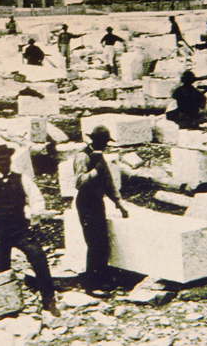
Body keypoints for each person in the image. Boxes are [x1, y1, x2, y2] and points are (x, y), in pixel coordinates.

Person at [0, 145, 60, 316]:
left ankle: (48, 300)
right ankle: (6, 307)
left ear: (10, 161)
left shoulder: (22, 179)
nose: (4, 164)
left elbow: (37, 198)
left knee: (39, 259)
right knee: (2, 268)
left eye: (6, 161)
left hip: (20, 228)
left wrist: (35, 219)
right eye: (0, 161)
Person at [74, 126, 129, 295]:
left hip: (98, 201)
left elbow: (109, 182)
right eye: (104, 142)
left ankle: (102, 278)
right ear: (95, 140)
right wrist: (94, 172)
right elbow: (79, 182)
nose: (106, 145)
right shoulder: (83, 156)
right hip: (86, 202)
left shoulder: (100, 157)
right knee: (94, 242)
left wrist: (119, 203)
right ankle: (91, 284)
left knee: (102, 242)